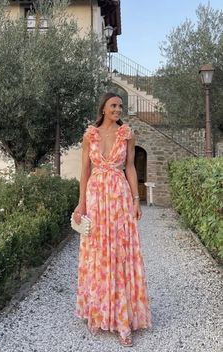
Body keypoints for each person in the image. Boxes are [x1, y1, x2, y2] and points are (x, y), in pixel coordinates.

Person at [73, 92, 152, 347]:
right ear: (104, 109)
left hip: (118, 197)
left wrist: (135, 199)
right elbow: (84, 171)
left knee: (120, 254)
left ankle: (123, 321)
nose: (118, 109)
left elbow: (130, 167)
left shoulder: (126, 133)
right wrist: (81, 203)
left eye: (120, 105)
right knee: (97, 254)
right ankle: (98, 312)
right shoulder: (90, 135)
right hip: (96, 198)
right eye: (114, 105)